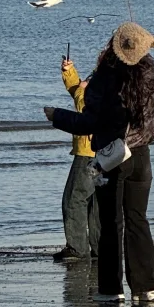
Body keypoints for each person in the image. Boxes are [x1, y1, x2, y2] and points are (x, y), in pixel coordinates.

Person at [44, 22, 154, 306]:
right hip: (141, 154)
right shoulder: (150, 72)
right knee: (137, 219)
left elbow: (90, 122)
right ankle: (147, 287)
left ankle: (111, 289)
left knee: (111, 221)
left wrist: (57, 116)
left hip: (112, 155)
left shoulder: (106, 77)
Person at [54, 56, 101, 263]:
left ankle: (77, 247)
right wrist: (69, 72)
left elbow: (84, 108)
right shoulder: (105, 76)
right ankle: (98, 247)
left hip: (88, 150)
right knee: (94, 201)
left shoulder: (103, 81)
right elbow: (78, 92)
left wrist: (82, 87)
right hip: (102, 150)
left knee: (74, 198)